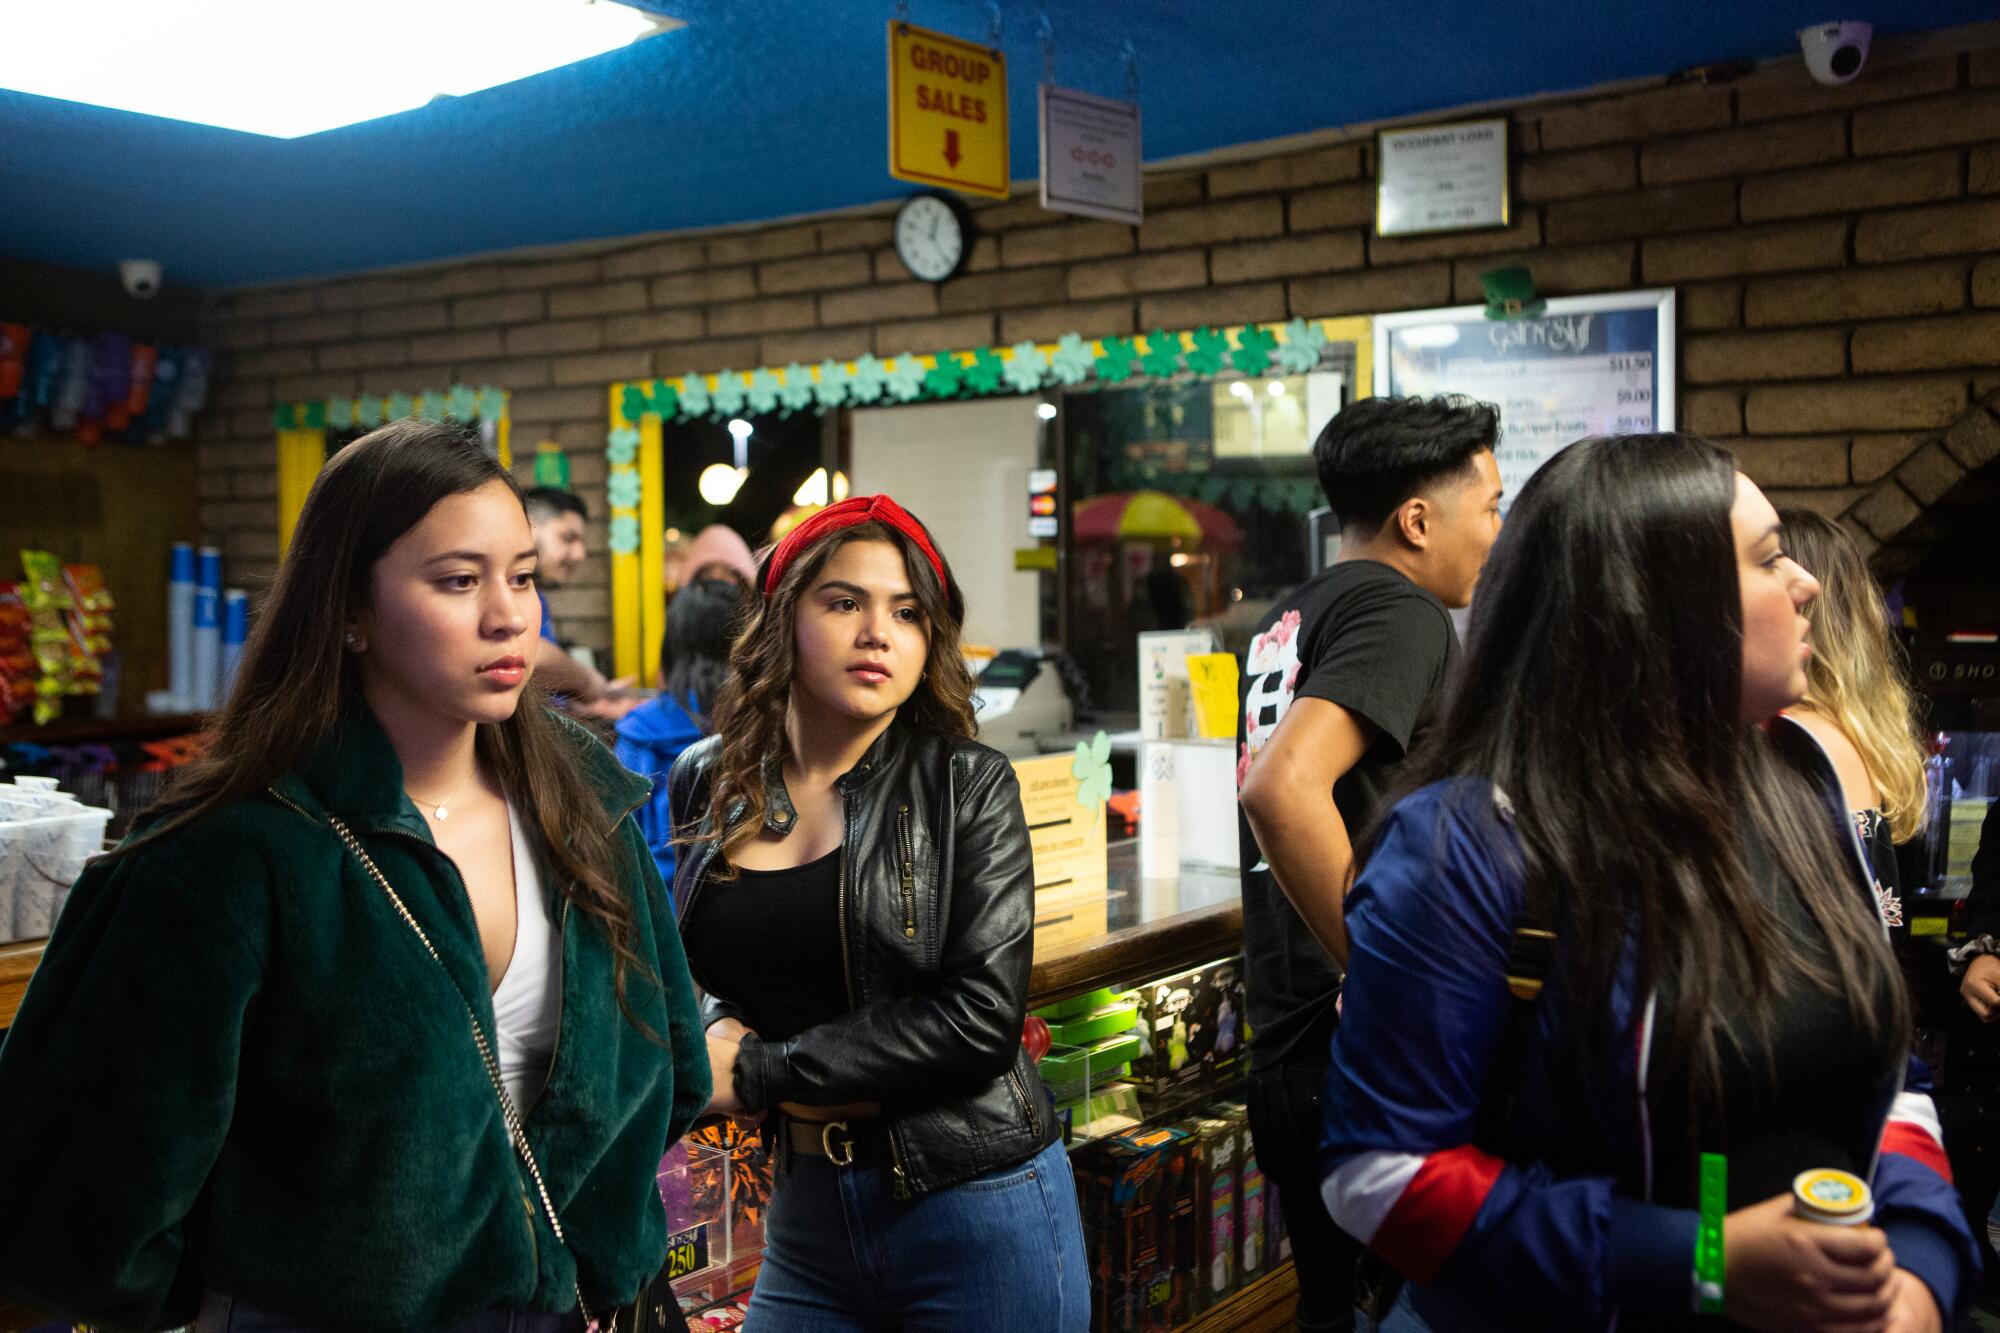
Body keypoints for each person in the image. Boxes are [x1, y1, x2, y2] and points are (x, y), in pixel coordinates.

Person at [0, 422, 709, 1332]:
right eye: (459, 580)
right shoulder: (235, 852)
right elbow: (73, 1200)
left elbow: (674, 1069)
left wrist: (603, 1249)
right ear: (348, 610)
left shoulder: (582, 801)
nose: (509, 615)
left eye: (523, 575)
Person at [1320, 434, 1976, 1332]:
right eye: (1767, 556)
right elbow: (1381, 1175)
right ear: (1654, 605)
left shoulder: (1798, 785)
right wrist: (1706, 1259)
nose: (1807, 581)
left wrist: (1920, 1271)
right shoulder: (1465, 844)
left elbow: (1886, 1073)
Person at [669, 494, 1089, 1331]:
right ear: (784, 618)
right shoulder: (707, 776)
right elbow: (689, 959)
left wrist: (757, 1072)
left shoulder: (966, 783)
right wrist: (712, 1023)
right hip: (805, 1213)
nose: (878, 632)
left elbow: (978, 1021)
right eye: (844, 602)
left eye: (906, 611)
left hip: (973, 1205)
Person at [1234, 394, 1504, 1333]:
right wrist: (1383, 971)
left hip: (1289, 1043)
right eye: (1491, 504)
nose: (1497, 529)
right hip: (1348, 1040)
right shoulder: (1402, 612)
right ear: (1418, 520)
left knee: (1332, 1309)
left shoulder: (1297, 610)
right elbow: (1281, 790)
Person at [616, 574, 746, 884]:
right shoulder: (762, 729)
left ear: (671, 646)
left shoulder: (638, 735)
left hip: (658, 916)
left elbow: (613, 847)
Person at [523, 485, 637, 718]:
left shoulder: (538, 597)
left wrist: (589, 705)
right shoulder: (508, 589)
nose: (579, 554)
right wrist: (585, 681)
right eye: (568, 538)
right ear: (528, 528)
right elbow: (528, 656)